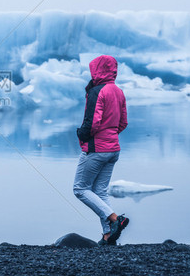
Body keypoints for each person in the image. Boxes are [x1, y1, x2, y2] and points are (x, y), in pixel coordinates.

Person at [73, 55, 129, 245]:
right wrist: (111, 134)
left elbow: (92, 123)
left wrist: (81, 134)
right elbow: (123, 123)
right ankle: (108, 235)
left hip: (97, 149)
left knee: (80, 189)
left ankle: (115, 220)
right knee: (100, 191)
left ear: (97, 70)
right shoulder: (118, 91)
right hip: (113, 148)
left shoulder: (97, 91)